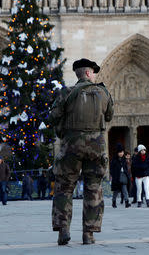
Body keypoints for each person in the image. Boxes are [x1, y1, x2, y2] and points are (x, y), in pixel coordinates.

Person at [50, 58, 113, 245]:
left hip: (71, 144)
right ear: (87, 73)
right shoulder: (104, 92)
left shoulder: (66, 93)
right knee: (93, 188)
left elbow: (53, 116)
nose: (94, 75)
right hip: (96, 146)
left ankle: (63, 230)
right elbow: (109, 116)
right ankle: (89, 233)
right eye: (93, 72)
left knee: (64, 187)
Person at [110, 144, 131, 208]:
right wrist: (113, 175)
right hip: (116, 177)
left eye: (122, 152)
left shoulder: (124, 159)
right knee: (116, 191)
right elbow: (111, 169)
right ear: (117, 152)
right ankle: (114, 201)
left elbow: (126, 168)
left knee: (125, 190)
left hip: (123, 177)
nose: (121, 153)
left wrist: (126, 174)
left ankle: (127, 202)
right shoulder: (114, 159)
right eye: (120, 152)